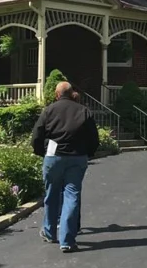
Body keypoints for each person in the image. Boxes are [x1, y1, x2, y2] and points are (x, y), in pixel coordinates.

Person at [32, 80, 99, 252]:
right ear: (72, 93)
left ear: (57, 94)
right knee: (72, 195)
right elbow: (93, 137)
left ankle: (49, 232)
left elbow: (37, 134)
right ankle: (67, 240)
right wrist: (89, 152)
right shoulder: (83, 111)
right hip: (77, 157)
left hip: (54, 156)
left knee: (51, 194)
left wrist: (40, 151)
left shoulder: (49, 110)